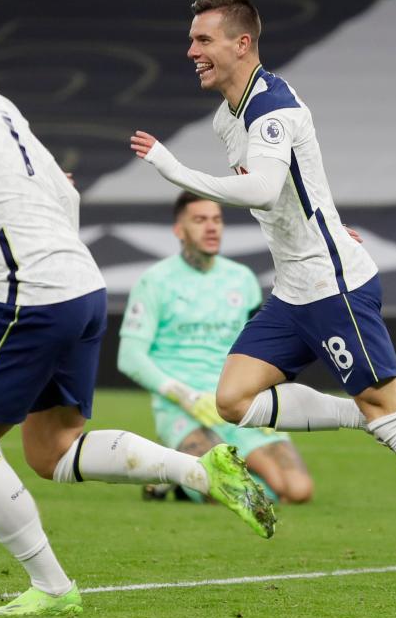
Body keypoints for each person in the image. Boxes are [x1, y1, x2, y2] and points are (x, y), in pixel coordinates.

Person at [0, 0, 275, 617]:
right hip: (81, 283)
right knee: (51, 449)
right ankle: (200, 470)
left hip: (31, 295)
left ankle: (53, 588)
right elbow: (65, 190)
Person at [130, 0, 396, 582]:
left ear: (241, 43)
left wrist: (175, 171)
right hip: (294, 289)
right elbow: (298, 190)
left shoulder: (272, 106)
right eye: (192, 39)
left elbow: (262, 190)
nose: (191, 50)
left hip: (333, 288)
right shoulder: (230, 114)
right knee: (234, 400)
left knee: (390, 409)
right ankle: (365, 417)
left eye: (203, 39)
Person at [119, 191, 314, 504]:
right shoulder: (154, 281)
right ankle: (180, 477)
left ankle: (178, 478)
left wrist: (268, 398)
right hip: (185, 409)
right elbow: (130, 357)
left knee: (298, 490)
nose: (211, 228)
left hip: (238, 402)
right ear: (179, 230)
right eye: (199, 220)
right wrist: (186, 396)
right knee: (244, 496)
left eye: (216, 220)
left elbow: (259, 352)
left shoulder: (242, 279)